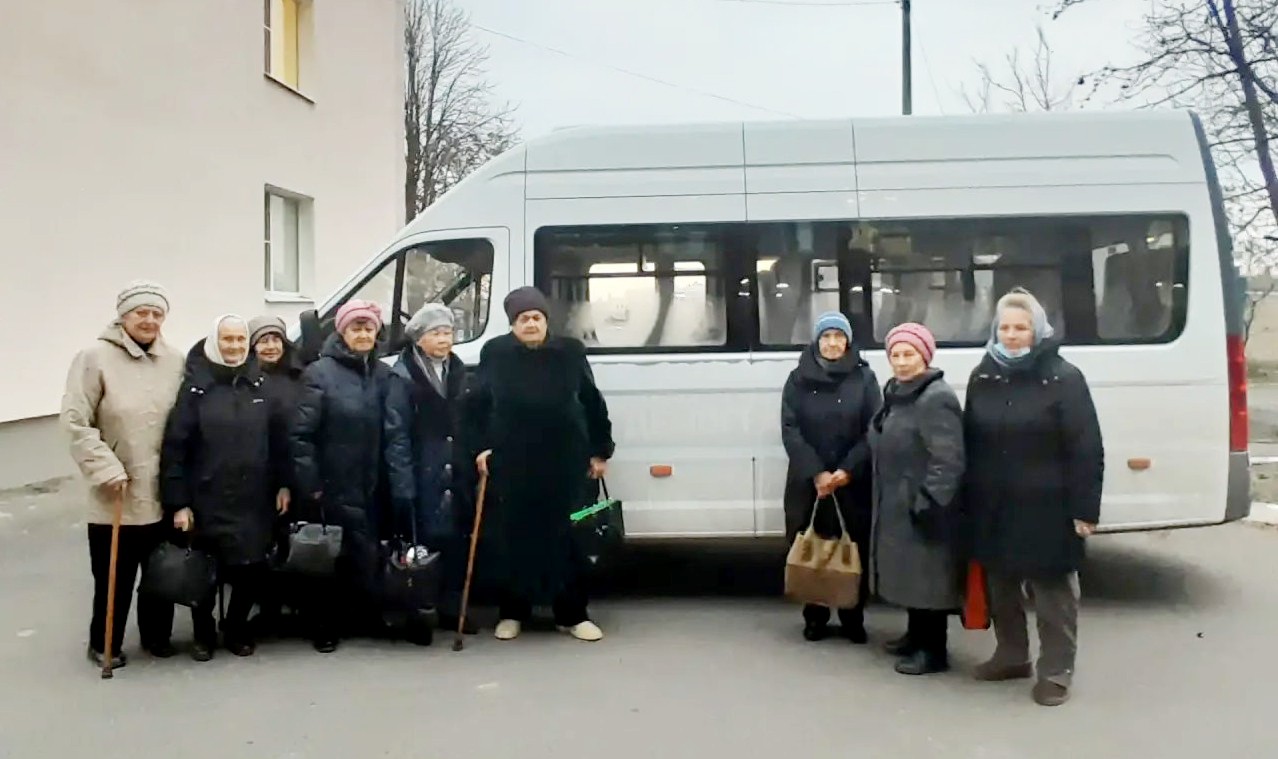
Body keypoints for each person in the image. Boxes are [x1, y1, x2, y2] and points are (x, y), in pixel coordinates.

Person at [963, 288, 1104, 707]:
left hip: (1049, 506)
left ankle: (1056, 671)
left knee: (1053, 593)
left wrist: (1084, 509)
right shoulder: (983, 376)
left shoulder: (1063, 377)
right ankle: (1012, 655)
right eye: (1004, 328)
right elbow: (971, 441)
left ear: (1038, 330)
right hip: (995, 503)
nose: (1011, 335)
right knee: (1000, 585)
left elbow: (1086, 447)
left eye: (1020, 328)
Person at [471, 286, 615, 642]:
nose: (531, 324)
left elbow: (592, 400)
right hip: (513, 462)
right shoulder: (496, 353)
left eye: (536, 317)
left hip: (565, 461)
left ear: (546, 320)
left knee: (568, 540)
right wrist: (481, 447)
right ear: (512, 324)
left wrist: (600, 451)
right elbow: (477, 404)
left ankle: (572, 615)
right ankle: (512, 613)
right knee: (513, 539)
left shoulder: (570, 351)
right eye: (523, 319)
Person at [60, 280, 185, 668]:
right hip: (117, 490)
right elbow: (75, 421)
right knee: (114, 576)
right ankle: (105, 643)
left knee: (161, 571)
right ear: (123, 316)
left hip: (162, 488)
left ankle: (157, 637)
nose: (149, 320)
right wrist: (106, 467)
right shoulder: (94, 358)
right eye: (141, 312)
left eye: (157, 313)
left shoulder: (175, 361)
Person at [160, 315, 291, 660]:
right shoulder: (195, 389)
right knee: (205, 571)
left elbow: (280, 442)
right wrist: (179, 503)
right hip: (207, 497)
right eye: (227, 339)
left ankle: (235, 628)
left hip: (254, 498)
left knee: (250, 569)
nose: (234, 346)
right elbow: (175, 449)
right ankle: (203, 634)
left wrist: (284, 484)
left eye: (239, 339)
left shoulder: (261, 385)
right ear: (214, 343)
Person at [290, 299, 393, 653]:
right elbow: (301, 435)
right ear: (342, 332)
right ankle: (324, 625)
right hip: (333, 481)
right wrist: (311, 484)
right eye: (355, 328)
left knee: (368, 551)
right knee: (331, 556)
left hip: (373, 481)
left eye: (368, 328)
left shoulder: (383, 374)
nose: (363, 334)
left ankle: (367, 615)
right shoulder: (319, 373)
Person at [869, 322, 965, 676]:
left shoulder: (935, 398)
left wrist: (930, 500)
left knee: (929, 578)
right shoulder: (897, 393)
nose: (901, 361)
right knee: (910, 574)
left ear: (925, 356)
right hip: (899, 499)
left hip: (924, 504)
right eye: (895, 355)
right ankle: (915, 635)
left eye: (909, 354)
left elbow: (949, 458)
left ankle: (933, 650)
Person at [781, 311, 881, 643]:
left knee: (853, 547)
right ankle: (815, 616)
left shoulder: (865, 378)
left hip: (852, 481)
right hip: (809, 482)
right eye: (826, 336)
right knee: (813, 547)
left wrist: (847, 470)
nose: (833, 343)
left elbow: (874, 428)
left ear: (848, 342)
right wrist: (817, 472)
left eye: (839, 336)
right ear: (817, 341)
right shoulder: (797, 379)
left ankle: (853, 616)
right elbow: (790, 429)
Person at [384, 303, 479, 638]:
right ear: (419, 339)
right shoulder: (403, 376)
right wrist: (402, 482)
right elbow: (396, 433)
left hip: (457, 471)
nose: (444, 339)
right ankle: (422, 612)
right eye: (436, 333)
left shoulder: (458, 371)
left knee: (456, 541)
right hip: (421, 472)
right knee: (422, 544)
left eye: (448, 333)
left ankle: (453, 609)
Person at [247, 314, 305, 636]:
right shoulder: (245, 378)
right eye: (263, 341)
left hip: (292, 471)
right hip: (256, 474)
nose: (270, 347)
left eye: (275, 340)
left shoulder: (299, 376)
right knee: (262, 543)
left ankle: (294, 604)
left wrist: (287, 481)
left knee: (292, 539)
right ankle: (267, 607)